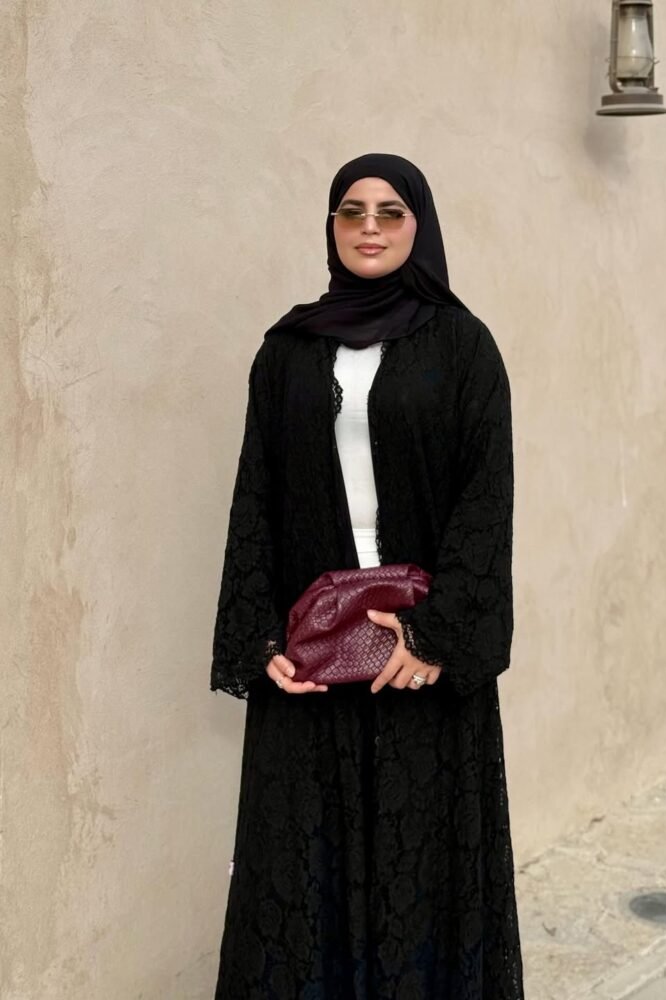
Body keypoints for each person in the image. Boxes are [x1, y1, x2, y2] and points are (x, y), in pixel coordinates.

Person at [210, 153, 525, 999]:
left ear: (420, 225)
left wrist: (437, 635)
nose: (370, 227)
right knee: (302, 870)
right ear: (332, 227)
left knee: (419, 871)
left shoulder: (461, 346)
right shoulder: (288, 351)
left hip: (414, 656)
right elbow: (256, 497)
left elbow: (486, 501)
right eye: (352, 211)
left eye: (390, 211)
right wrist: (260, 641)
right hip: (313, 658)